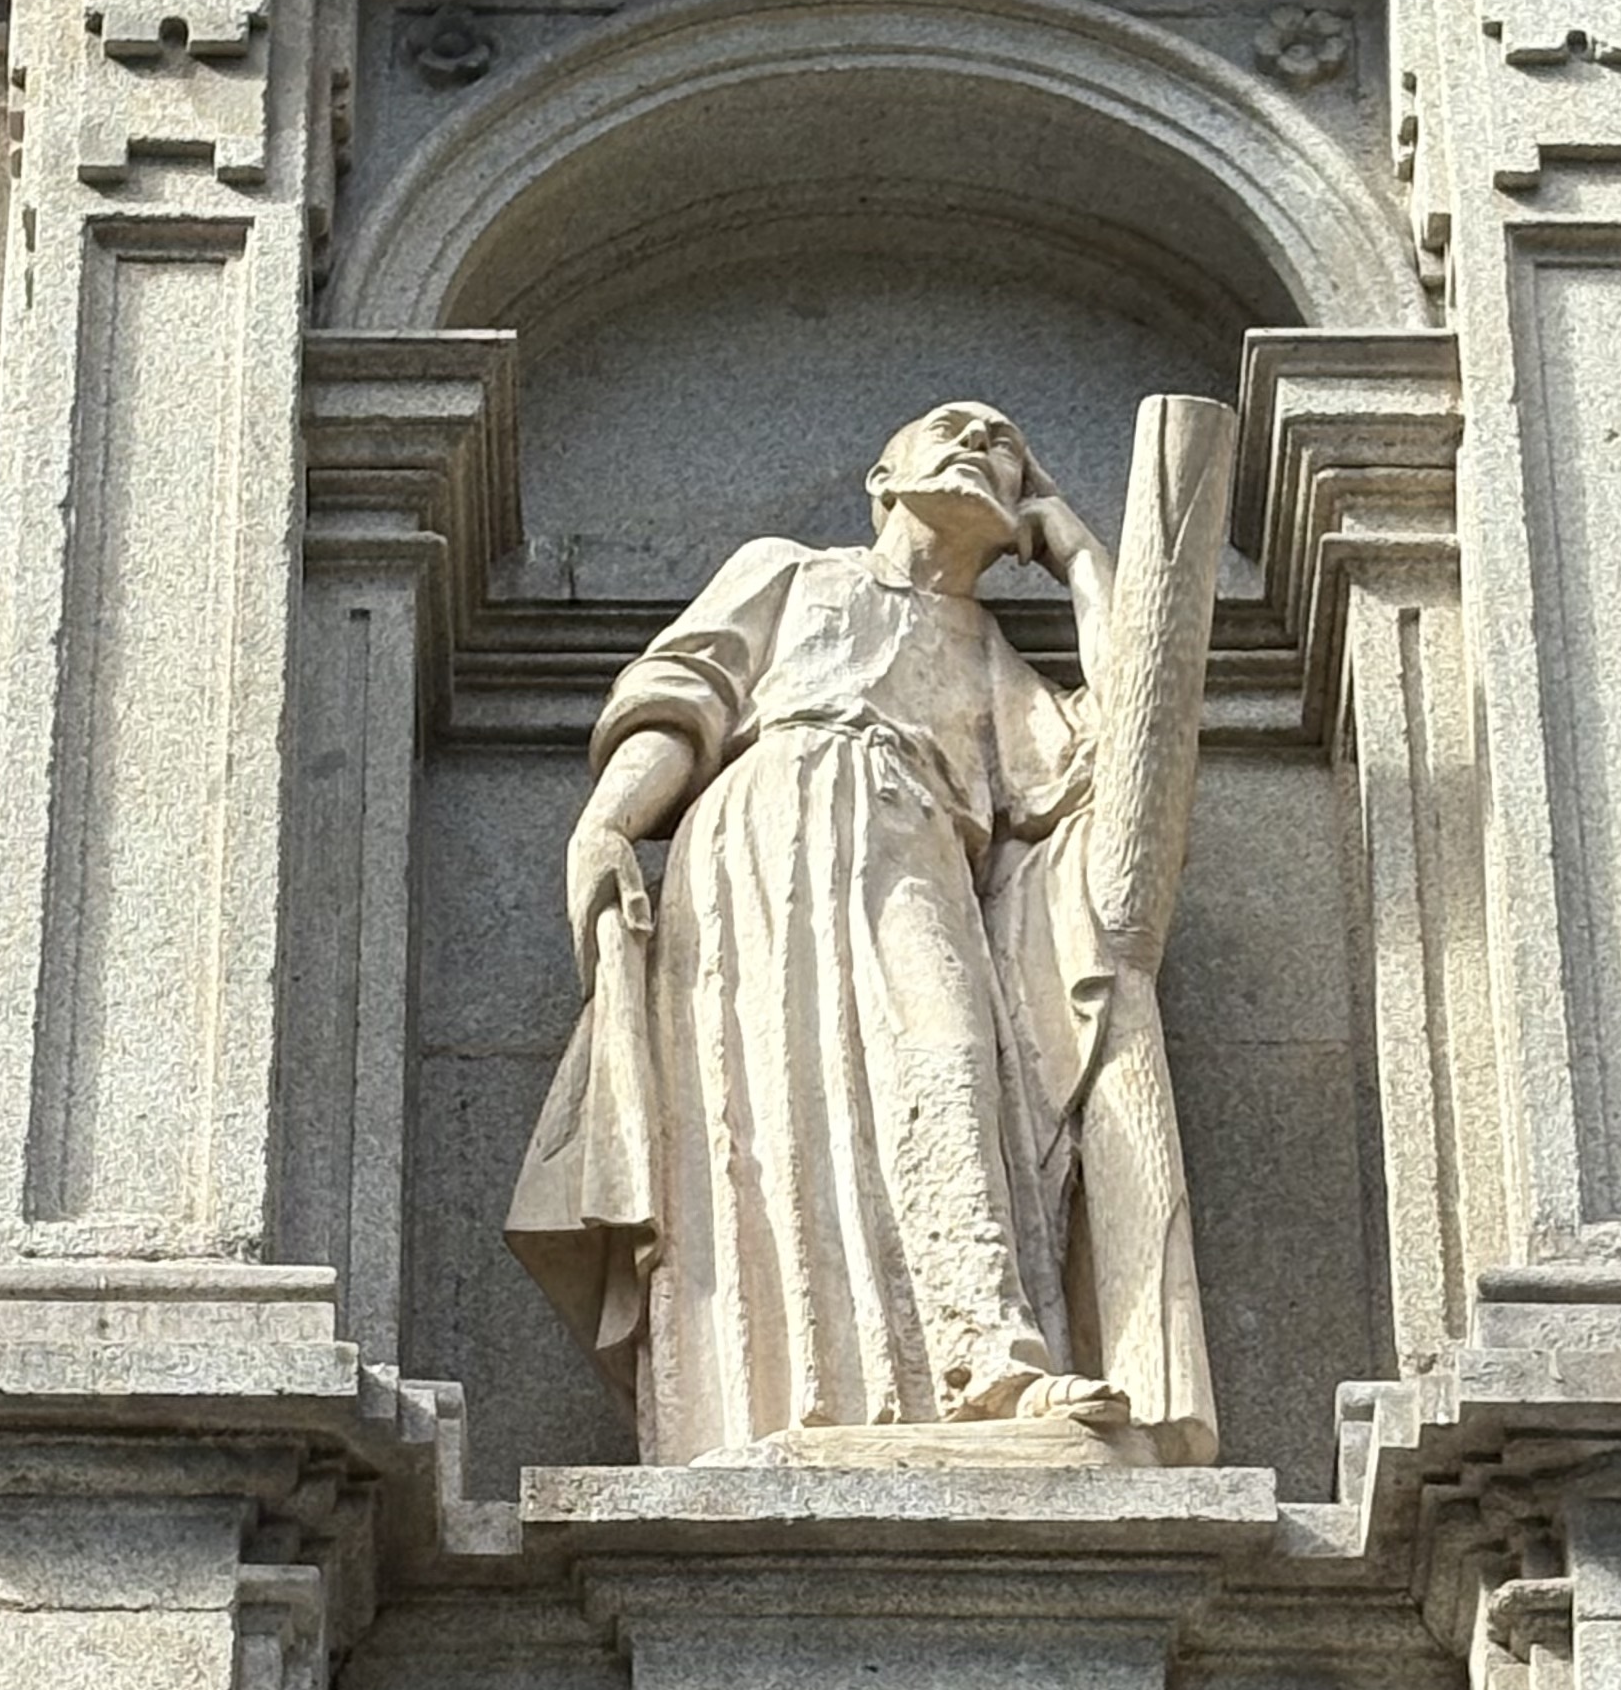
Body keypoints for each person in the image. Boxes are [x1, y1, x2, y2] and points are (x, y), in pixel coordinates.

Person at [507, 399, 1213, 1464]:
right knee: (767, 1106)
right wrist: (608, 824)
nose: (979, 441)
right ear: (882, 480)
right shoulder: (790, 572)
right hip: (762, 835)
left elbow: (1129, 732)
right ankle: (752, 1402)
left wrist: (1077, 554)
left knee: (948, 1066)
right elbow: (687, 697)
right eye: (952, 426)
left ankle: (990, 1357)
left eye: (1007, 443)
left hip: (917, 845)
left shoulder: (988, 653)